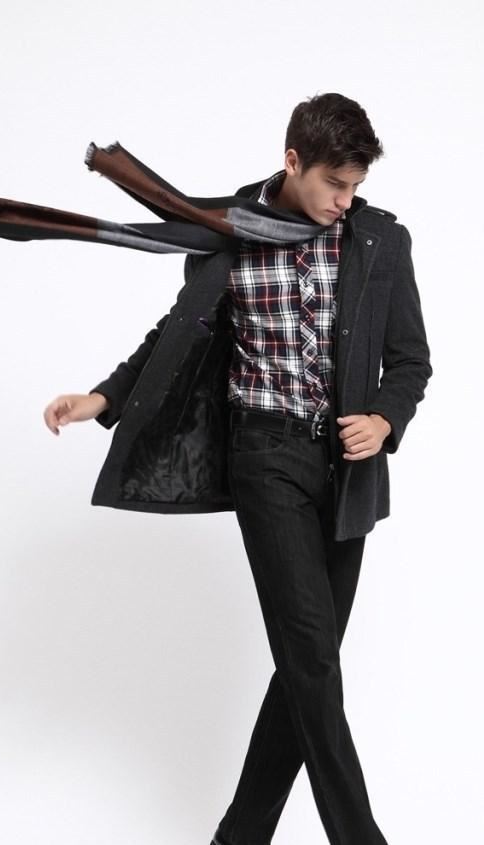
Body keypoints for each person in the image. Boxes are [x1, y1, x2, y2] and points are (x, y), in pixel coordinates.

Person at [43, 93, 432, 845]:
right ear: (293, 161)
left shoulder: (381, 239)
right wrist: (105, 396)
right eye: (334, 184)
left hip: (348, 472)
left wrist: (385, 419)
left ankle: (238, 837)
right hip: (265, 457)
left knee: (306, 666)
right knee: (312, 660)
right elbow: (177, 328)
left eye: (356, 186)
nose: (345, 201)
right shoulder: (230, 232)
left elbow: (411, 360)